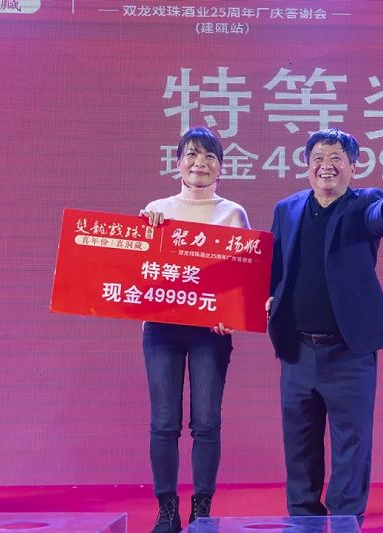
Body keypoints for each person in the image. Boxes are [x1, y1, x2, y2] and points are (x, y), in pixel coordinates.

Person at [265, 128, 383, 524]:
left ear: (352, 166)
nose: (326, 166)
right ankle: (303, 523)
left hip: (348, 352)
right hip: (297, 351)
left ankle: (346, 522)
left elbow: (378, 219)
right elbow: (274, 267)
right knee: (299, 445)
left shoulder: (365, 202)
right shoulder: (287, 209)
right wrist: (264, 299)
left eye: (336, 159)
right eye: (318, 158)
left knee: (352, 445)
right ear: (307, 165)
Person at [140, 127, 250, 533]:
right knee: (164, 422)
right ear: (178, 163)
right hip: (163, 329)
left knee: (206, 422)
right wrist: (145, 228)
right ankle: (166, 510)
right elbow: (140, 268)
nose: (199, 163)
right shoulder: (157, 210)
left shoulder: (233, 213)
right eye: (191, 155)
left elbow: (244, 277)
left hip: (210, 332)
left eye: (209, 157)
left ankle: (202, 508)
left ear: (221, 167)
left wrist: (233, 314)